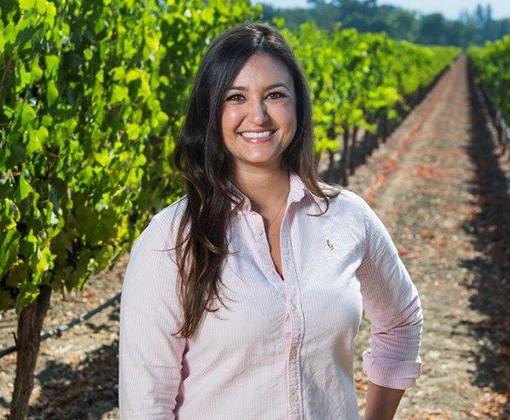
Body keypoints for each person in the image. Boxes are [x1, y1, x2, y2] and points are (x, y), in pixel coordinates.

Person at [119, 23, 423, 420]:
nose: (258, 115)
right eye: (235, 97)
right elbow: (146, 406)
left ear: (298, 105)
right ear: (211, 112)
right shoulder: (171, 239)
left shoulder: (347, 217)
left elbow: (401, 321)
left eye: (275, 95)